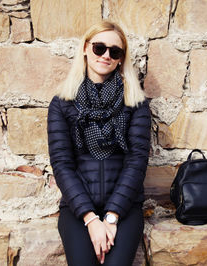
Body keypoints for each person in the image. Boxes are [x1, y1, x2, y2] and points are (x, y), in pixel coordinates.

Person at [47, 21, 151, 266]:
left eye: (114, 52)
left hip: (125, 209)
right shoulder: (62, 103)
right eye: (99, 48)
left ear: (120, 59)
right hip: (78, 208)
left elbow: (136, 162)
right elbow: (62, 164)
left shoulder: (135, 103)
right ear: (85, 48)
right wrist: (91, 219)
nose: (106, 55)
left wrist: (113, 216)